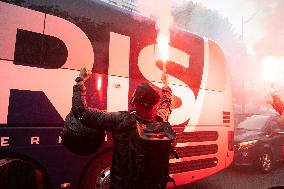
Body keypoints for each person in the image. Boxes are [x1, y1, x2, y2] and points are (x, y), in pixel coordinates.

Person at [71, 68, 173, 189]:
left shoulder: (121, 121)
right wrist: (166, 84)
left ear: (135, 100)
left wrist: (80, 81)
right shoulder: (160, 119)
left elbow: (82, 113)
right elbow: (167, 102)